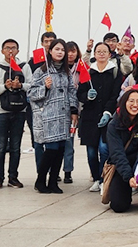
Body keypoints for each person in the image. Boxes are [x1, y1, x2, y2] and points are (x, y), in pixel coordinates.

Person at [28, 39, 78, 194]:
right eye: (57, 49)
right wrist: (44, 87)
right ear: (50, 51)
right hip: (48, 116)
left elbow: (71, 91)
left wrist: (74, 110)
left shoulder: (66, 72)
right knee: (51, 149)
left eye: (62, 50)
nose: (60, 52)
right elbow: (31, 93)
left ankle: (53, 181)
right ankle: (40, 180)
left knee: (61, 149)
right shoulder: (41, 71)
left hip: (63, 116)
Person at [0, 39, 33, 189]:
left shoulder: (24, 67)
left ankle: (13, 177)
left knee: (15, 146)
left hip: (19, 111)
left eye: (13, 48)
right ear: (2, 51)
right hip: (1, 112)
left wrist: (20, 85)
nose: (10, 51)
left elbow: (32, 87)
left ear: (18, 51)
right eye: (7, 48)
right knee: (0, 146)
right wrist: (5, 86)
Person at [77, 42, 123, 192]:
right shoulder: (88, 72)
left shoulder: (115, 72)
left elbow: (115, 95)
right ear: (95, 54)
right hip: (89, 118)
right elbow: (80, 93)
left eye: (105, 51)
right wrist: (87, 97)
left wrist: (107, 113)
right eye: (99, 51)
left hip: (107, 117)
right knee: (91, 152)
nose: (101, 54)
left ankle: (103, 179)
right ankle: (96, 179)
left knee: (104, 149)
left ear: (109, 54)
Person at [106, 90, 138, 212]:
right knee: (119, 206)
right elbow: (117, 154)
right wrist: (128, 177)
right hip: (121, 165)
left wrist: (137, 174)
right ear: (124, 103)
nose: (135, 105)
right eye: (131, 101)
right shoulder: (113, 125)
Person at [62, 41, 82, 183]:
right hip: (60, 110)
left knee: (69, 142)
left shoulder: (81, 68)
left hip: (76, 111)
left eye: (73, 51)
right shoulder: (58, 68)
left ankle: (68, 172)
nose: (70, 54)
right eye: (67, 51)